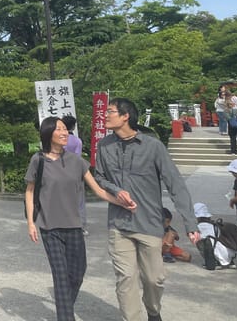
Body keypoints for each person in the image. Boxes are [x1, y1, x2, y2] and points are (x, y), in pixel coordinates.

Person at [94, 97, 200, 321]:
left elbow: (175, 185)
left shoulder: (153, 147)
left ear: (126, 116)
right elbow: (100, 177)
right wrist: (116, 190)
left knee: (154, 279)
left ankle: (153, 311)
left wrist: (190, 223)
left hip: (149, 223)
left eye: (111, 111)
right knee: (126, 278)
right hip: (118, 225)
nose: (106, 115)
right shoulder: (104, 145)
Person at [25, 117, 137, 321]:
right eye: (59, 129)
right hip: (49, 227)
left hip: (74, 226)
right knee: (60, 277)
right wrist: (31, 223)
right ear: (48, 133)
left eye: (66, 129)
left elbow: (98, 190)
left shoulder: (76, 161)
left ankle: (64, 305)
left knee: (77, 274)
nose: (65, 132)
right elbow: (30, 191)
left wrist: (121, 202)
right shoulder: (38, 160)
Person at [62, 114, 88, 232]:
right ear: (73, 127)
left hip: (60, 173)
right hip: (75, 173)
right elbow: (77, 158)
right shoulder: (77, 141)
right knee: (79, 201)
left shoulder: (58, 140)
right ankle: (81, 226)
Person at [194, 202, 237, 270]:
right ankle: (230, 262)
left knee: (200, 241)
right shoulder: (215, 224)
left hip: (216, 252)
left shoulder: (199, 227)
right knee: (215, 241)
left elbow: (196, 240)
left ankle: (215, 261)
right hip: (229, 252)